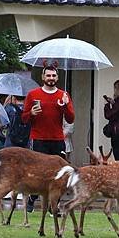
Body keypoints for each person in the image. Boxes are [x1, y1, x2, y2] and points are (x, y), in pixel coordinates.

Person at [22, 65, 75, 212]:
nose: (51, 78)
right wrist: (31, 113)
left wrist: (65, 106)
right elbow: (24, 119)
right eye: (48, 75)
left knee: (59, 172)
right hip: (38, 138)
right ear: (43, 77)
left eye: (53, 76)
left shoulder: (63, 95)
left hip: (57, 139)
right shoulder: (33, 95)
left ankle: (54, 206)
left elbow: (71, 119)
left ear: (57, 78)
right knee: (38, 171)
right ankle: (33, 196)